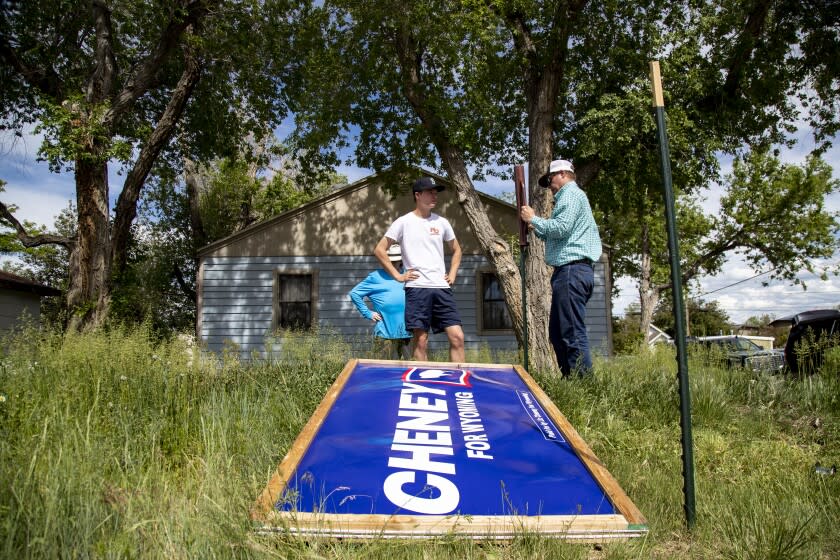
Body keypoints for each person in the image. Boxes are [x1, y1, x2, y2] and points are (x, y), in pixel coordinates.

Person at [520, 159, 602, 377]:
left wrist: (534, 219)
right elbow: (552, 233)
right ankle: (570, 378)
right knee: (558, 332)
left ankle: (583, 385)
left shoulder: (572, 195)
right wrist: (535, 225)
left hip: (572, 271)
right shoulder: (567, 198)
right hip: (567, 272)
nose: (550, 185)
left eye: (551, 179)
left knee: (571, 331)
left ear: (563, 174)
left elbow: (561, 228)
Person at [374, 176, 465, 362]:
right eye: (430, 192)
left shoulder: (442, 222)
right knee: (421, 340)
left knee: (457, 337)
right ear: (418, 195)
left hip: (441, 288)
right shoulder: (403, 222)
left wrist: (453, 273)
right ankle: (421, 383)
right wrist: (398, 276)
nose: (434, 196)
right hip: (417, 288)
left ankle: (459, 385)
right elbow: (379, 250)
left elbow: (457, 250)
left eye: (435, 192)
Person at [349, 244, 411, 360]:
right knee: (384, 370)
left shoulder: (408, 274)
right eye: (390, 261)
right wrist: (368, 313)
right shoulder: (375, 277)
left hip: (408, 333)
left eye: (396, 261)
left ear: (402, 260)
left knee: (411, 368)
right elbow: (355, 293)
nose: (393, 263)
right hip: (384, 334)